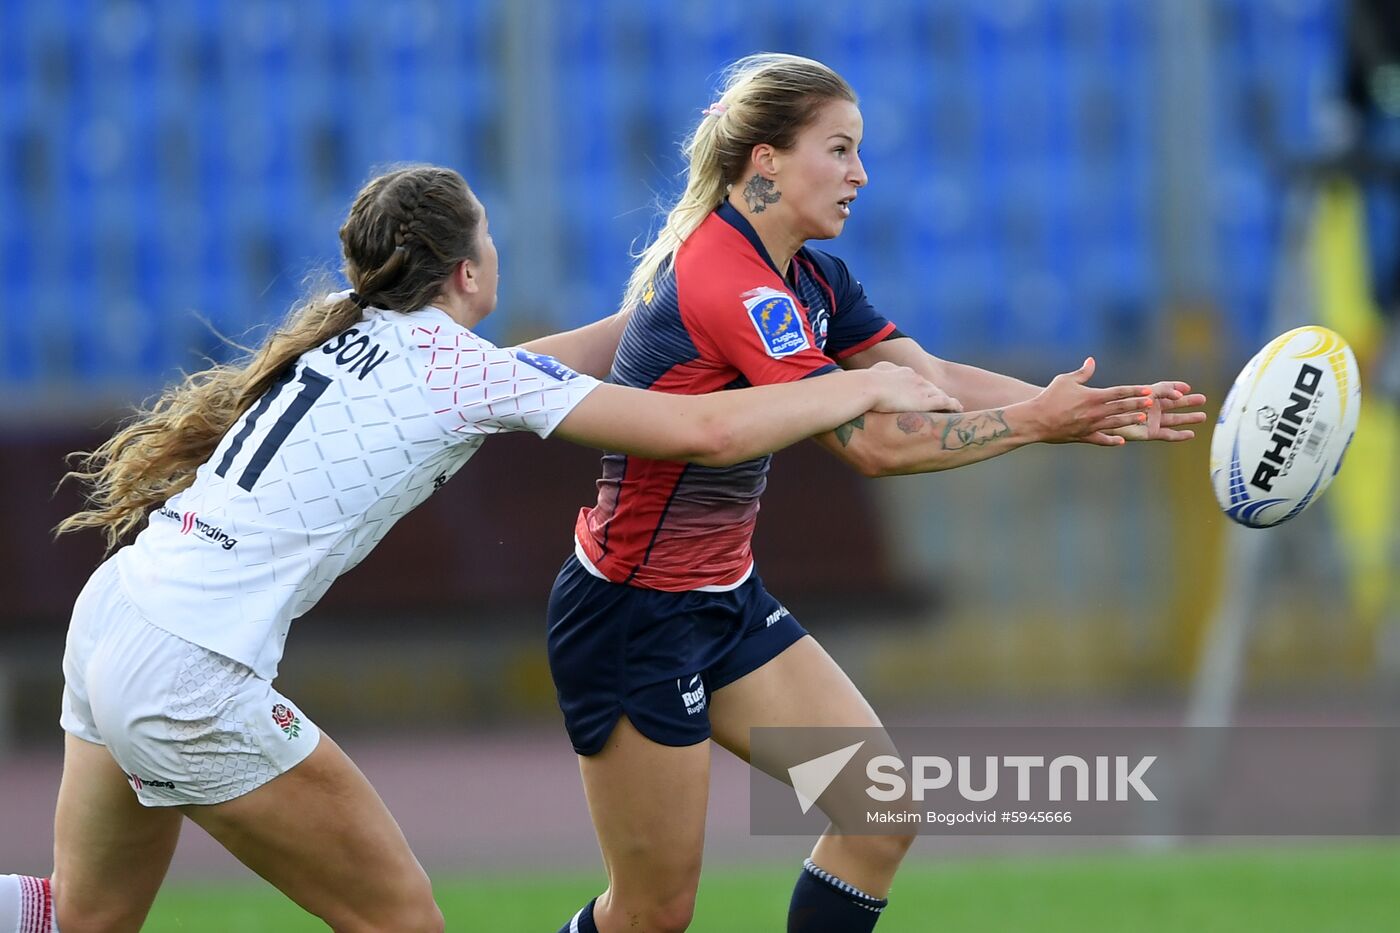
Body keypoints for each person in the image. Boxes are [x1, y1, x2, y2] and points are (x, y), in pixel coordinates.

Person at [0, 164, 955, 933]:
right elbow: (703, 434)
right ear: (465, 272)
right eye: (488, 235)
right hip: (189, 674)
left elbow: (572, 354)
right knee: (403, 919)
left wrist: (691, 292)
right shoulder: (455, 368)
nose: (496, 249)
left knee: (78, 915)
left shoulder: (360, 333)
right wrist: (857, 389)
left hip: (117, 614)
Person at [546, 54, 1207, 933]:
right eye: (841, 148)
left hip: (724, 599)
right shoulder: (730, 278)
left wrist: (1062, 404)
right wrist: (1033, 426)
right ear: (767, 160)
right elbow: (874, 442)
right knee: (653, 914)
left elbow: (924, 377)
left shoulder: (810, 275)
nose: (861, 174)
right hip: (632, 615)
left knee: (879, 815)